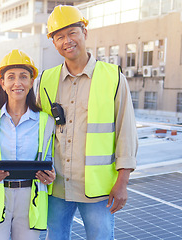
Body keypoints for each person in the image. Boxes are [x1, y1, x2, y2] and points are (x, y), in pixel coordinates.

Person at [38, 5, 138, 240]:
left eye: (72, 32)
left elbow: (127, 133)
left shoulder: (113, 77)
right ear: (53, 43)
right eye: (59, 36)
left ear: (85, 33)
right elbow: (37, 132)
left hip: (98, 190)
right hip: (56, 187)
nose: (67, 41)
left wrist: (122, 182)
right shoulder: (45, 80)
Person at [0, 49, 56, 240]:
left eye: (23, 77)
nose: (17, 83)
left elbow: (49, 159)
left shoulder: (46, 121)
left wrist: (50, 175)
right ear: (2, 83)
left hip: (31, 199)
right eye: (11, 77)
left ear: (31, 82)